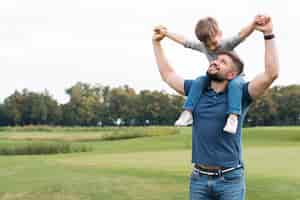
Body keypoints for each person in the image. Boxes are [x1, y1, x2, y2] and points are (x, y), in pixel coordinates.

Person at [152, 15, 279, 200]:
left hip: (230, 180)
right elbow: (168, 74)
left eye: (223, 62)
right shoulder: (197, 90)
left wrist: (268, 34)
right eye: (215, 59)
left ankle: (232, 117)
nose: (214, 61)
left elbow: (271, 73)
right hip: (199, 179)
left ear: (232, 74)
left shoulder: (241, 93)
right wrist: (157, 43)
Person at [154, 16, 259, 134]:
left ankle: (233, 117)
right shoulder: (203, 47)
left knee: (234, 85)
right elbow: (185, 41)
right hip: (216, 77)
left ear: (219, 33)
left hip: (236, 78)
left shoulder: (226, 44)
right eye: (207, 45)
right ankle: (188, 112)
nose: (212, 47)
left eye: (213, 43)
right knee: (200, 80)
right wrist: (166, 33)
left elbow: (241, 34)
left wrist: (254, 24)